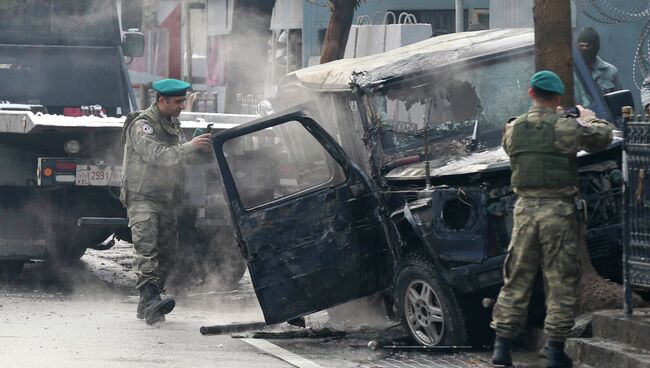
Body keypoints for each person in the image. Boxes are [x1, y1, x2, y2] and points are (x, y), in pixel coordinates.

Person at [490, 71, 614, 368]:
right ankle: (556, 351)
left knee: (516, 279)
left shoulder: (513, 128)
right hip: (558, 213)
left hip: (525, 212)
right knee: (560, 281)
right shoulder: (566, 128)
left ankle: (501, 347)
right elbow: (603, 135)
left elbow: (513, 147)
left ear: (531, 92)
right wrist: (586, 116)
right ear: (557, 97)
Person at [120, 79, 212, 325]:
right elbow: (157, 155)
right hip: (143, 197)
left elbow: (176, 159)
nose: (182, 106)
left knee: (168, 252)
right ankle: (150, 298)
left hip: (165, 198)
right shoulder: (143, 125)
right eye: (178, 102)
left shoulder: (171, 123)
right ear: (162, 100)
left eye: (183, 101)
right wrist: (189, 147)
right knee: (146, 249)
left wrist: (198, 151)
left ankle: (148, 303)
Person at [577, 27, 622, 95]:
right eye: (581, 46)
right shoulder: (571, 70)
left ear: (595, 47)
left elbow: (619, 100)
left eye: (588, 46)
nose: (584, 49)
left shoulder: (610, 72)